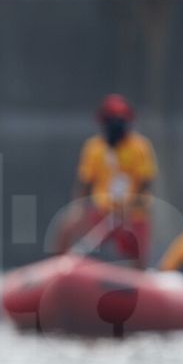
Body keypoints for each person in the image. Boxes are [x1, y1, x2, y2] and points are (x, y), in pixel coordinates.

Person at [56, 94, 159, 268]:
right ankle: (58, 271)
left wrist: (127, 209)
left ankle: (138, 281)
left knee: (140, 247)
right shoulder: (94, 148)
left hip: (133, 213)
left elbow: (145, 184)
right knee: (67, 225)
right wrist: (79, 208)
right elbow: (85, 183)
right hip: (102, 211)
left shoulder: (140, 147)